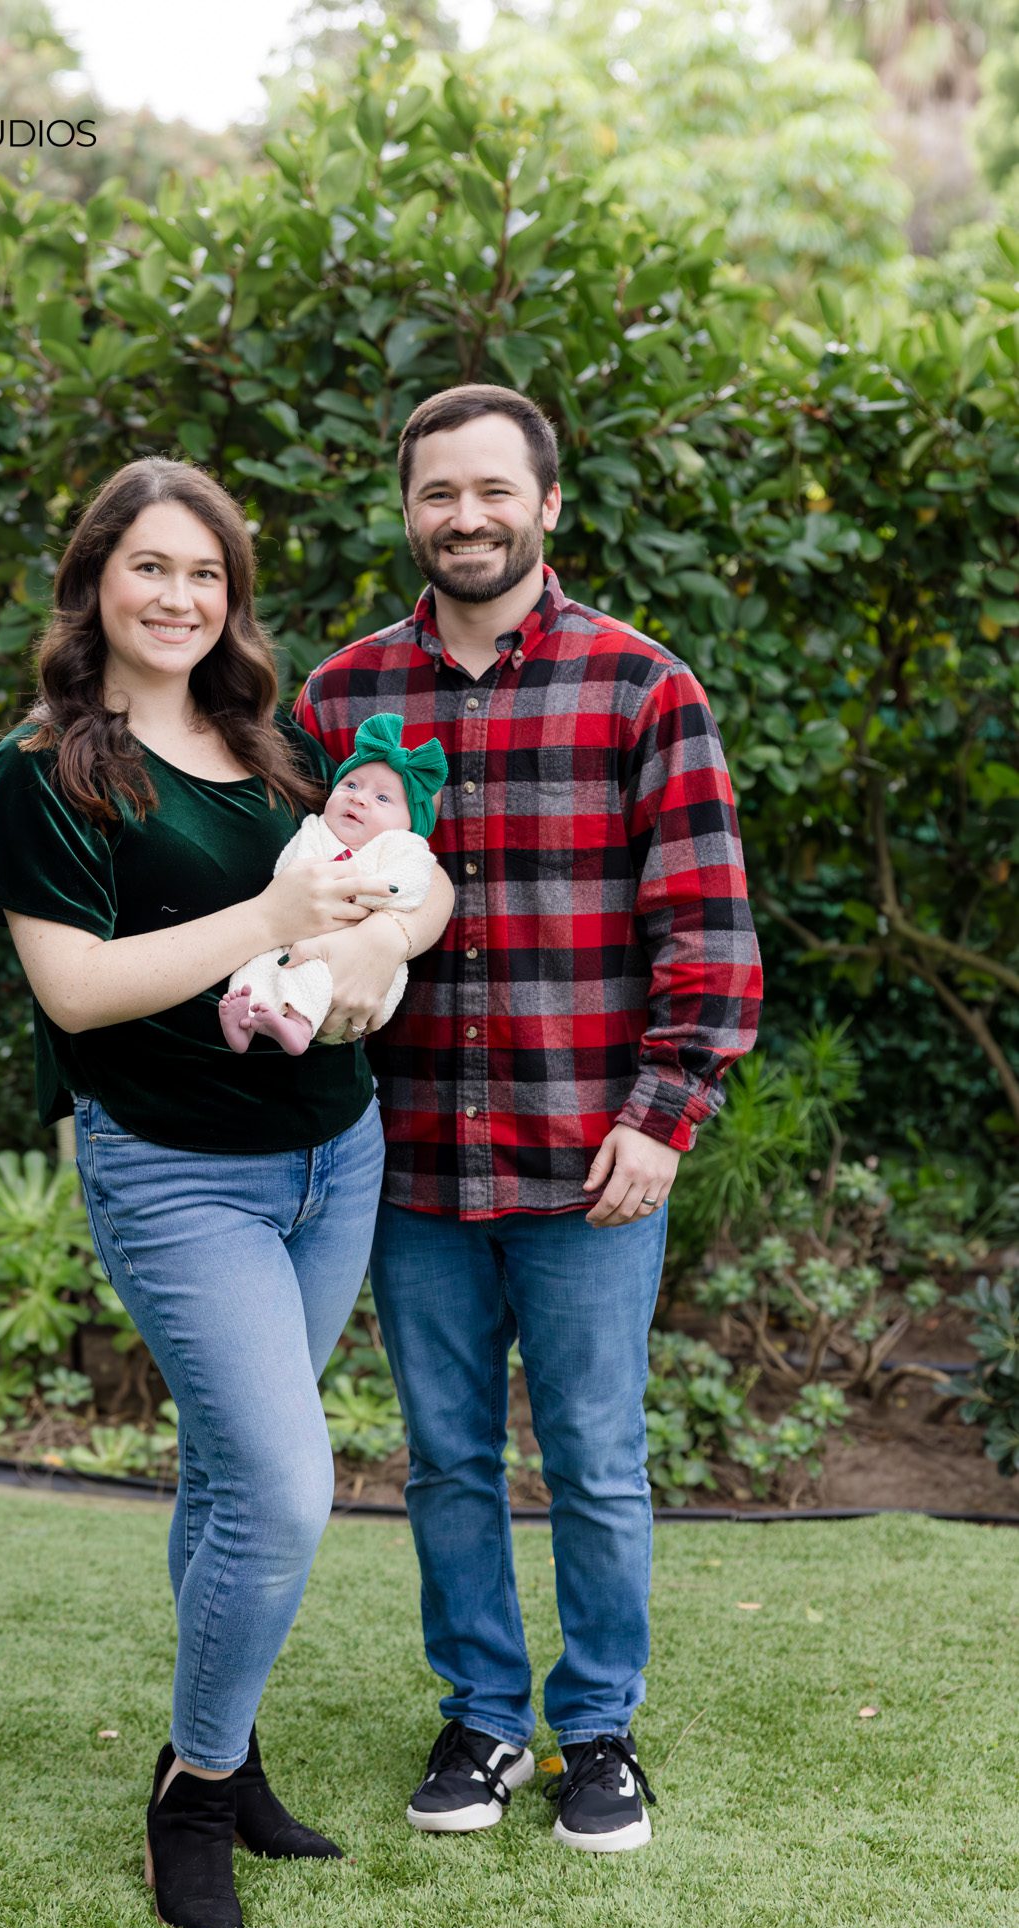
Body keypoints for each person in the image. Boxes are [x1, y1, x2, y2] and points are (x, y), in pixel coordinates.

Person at [0, 456, 454, 1928]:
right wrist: (281, 917)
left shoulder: (274, 742)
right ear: (95, 578)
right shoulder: (41, 769)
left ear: (232, 597)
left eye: (206, 574)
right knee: (290, 1488)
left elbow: (407, 873)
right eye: (150, 568)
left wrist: (381, 943)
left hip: (330, 1156)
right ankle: (194, 1785)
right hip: (175, 1177)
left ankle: (223, 1757)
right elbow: (81, 991)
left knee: (236, 1481)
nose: (179, 598)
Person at [290, 385, 762, 1852]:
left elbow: (706, 928)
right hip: (409, 1156)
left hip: (586, 1157)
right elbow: (295, 908)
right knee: (442, 1457)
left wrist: (663, 1115)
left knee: (599, 1459)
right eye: (440, 493)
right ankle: (482, 1716)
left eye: (495, 490)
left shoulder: (641, 687)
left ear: (548, 505)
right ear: (409, 508)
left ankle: (599, 1730)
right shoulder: (336, 699)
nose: (467, 516)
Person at [220, 713, 449, 1056]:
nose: (359, 798)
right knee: (259, 962)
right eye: (351, 785)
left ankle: (298, 1025)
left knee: (314, 967)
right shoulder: (316, 828)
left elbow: (413, 884)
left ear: (409, 826)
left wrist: (366, 890)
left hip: (358, 961)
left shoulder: (402, 847)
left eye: (382, 799)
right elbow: (290, 865)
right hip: (296, 931)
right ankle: (247, 1018)